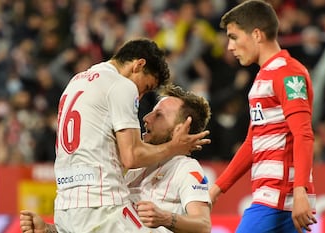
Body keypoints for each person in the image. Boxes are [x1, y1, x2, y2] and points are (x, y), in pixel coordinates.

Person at [23, 38, 211, 233]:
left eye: (159, 114)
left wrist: (50, 230)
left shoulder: (77, 81)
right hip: (103, 207)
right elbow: (132, 156)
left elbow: (203, 225)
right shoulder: (121, 85)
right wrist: (174, 147)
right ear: (139, 65)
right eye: (145, 88)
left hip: (66, 207)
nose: (139, 98)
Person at [208, 1, 317, 233]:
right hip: (274, 197)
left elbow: (303, 134)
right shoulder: (263, 77)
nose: (229, 46)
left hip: (280, 198)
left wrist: (300, 191)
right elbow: (253, 142)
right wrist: (217, 188)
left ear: (256, 35)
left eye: (234, 37)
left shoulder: (289, 73)